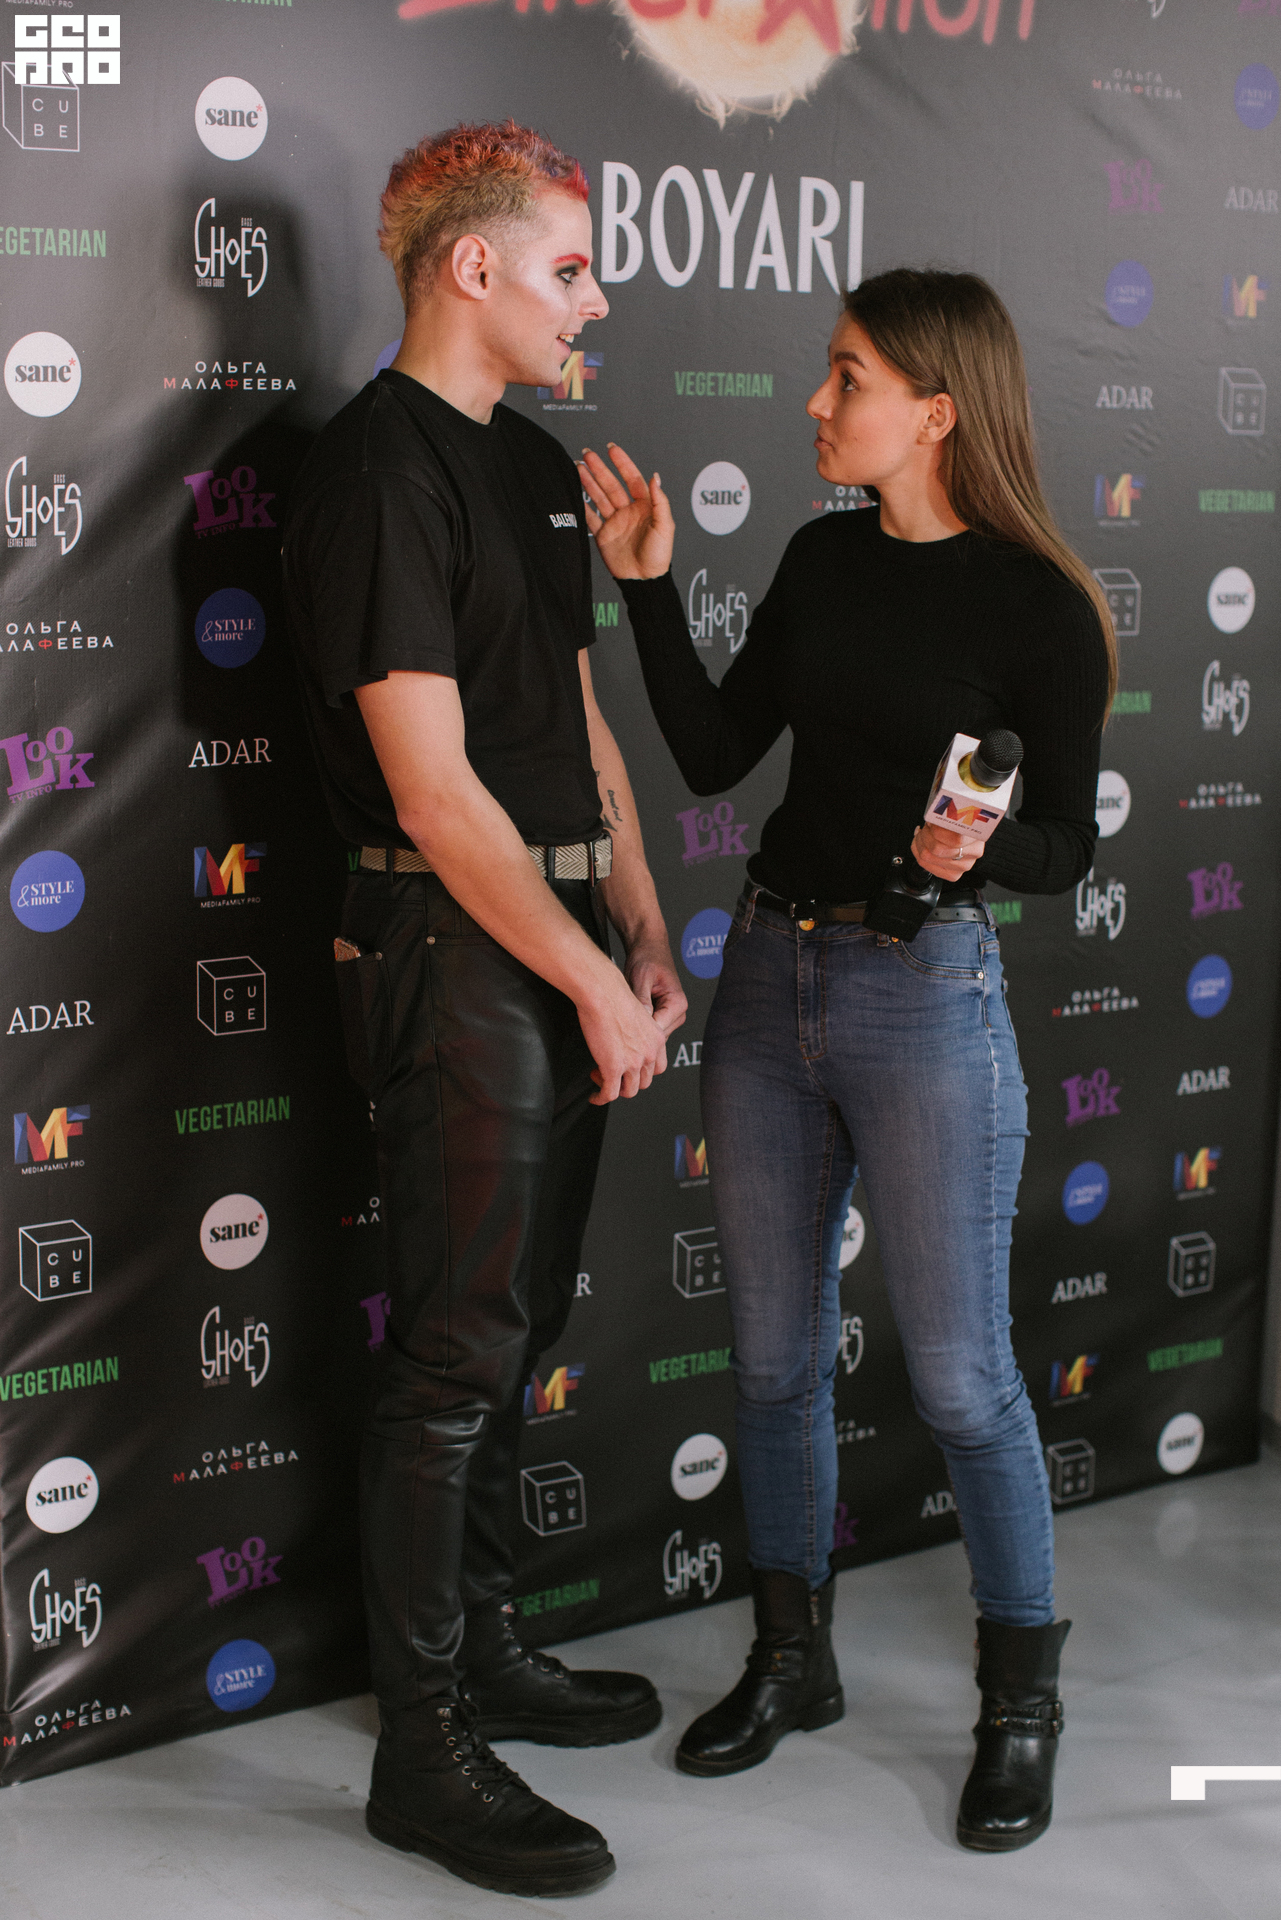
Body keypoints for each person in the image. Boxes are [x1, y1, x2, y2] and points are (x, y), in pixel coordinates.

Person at [579, 267, 1114, 1853]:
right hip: (765, 981)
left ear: (936, 410)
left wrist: (981, 845)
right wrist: (648, 587)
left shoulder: (1037, 605)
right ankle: (789, 1660)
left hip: (920, 994)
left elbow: (1066, 847)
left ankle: (1019, 1706)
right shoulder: (820, 557)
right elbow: (710, 755)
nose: (816, 402)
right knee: (771, 1362)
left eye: (847, 376)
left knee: (959, 1378)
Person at [283, 121, 686, 1899]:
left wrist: (639, 928)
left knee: (506, 1334)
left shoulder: (526, 460)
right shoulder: (380, 472)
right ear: (474, 267)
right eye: (571, 269)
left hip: (552, 935)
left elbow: (571, 726)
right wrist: (586, 978)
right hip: (448, 948)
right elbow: (436, 794)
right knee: (455, 1355)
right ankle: (424, 1750)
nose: (592, 303)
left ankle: (493, 1651)